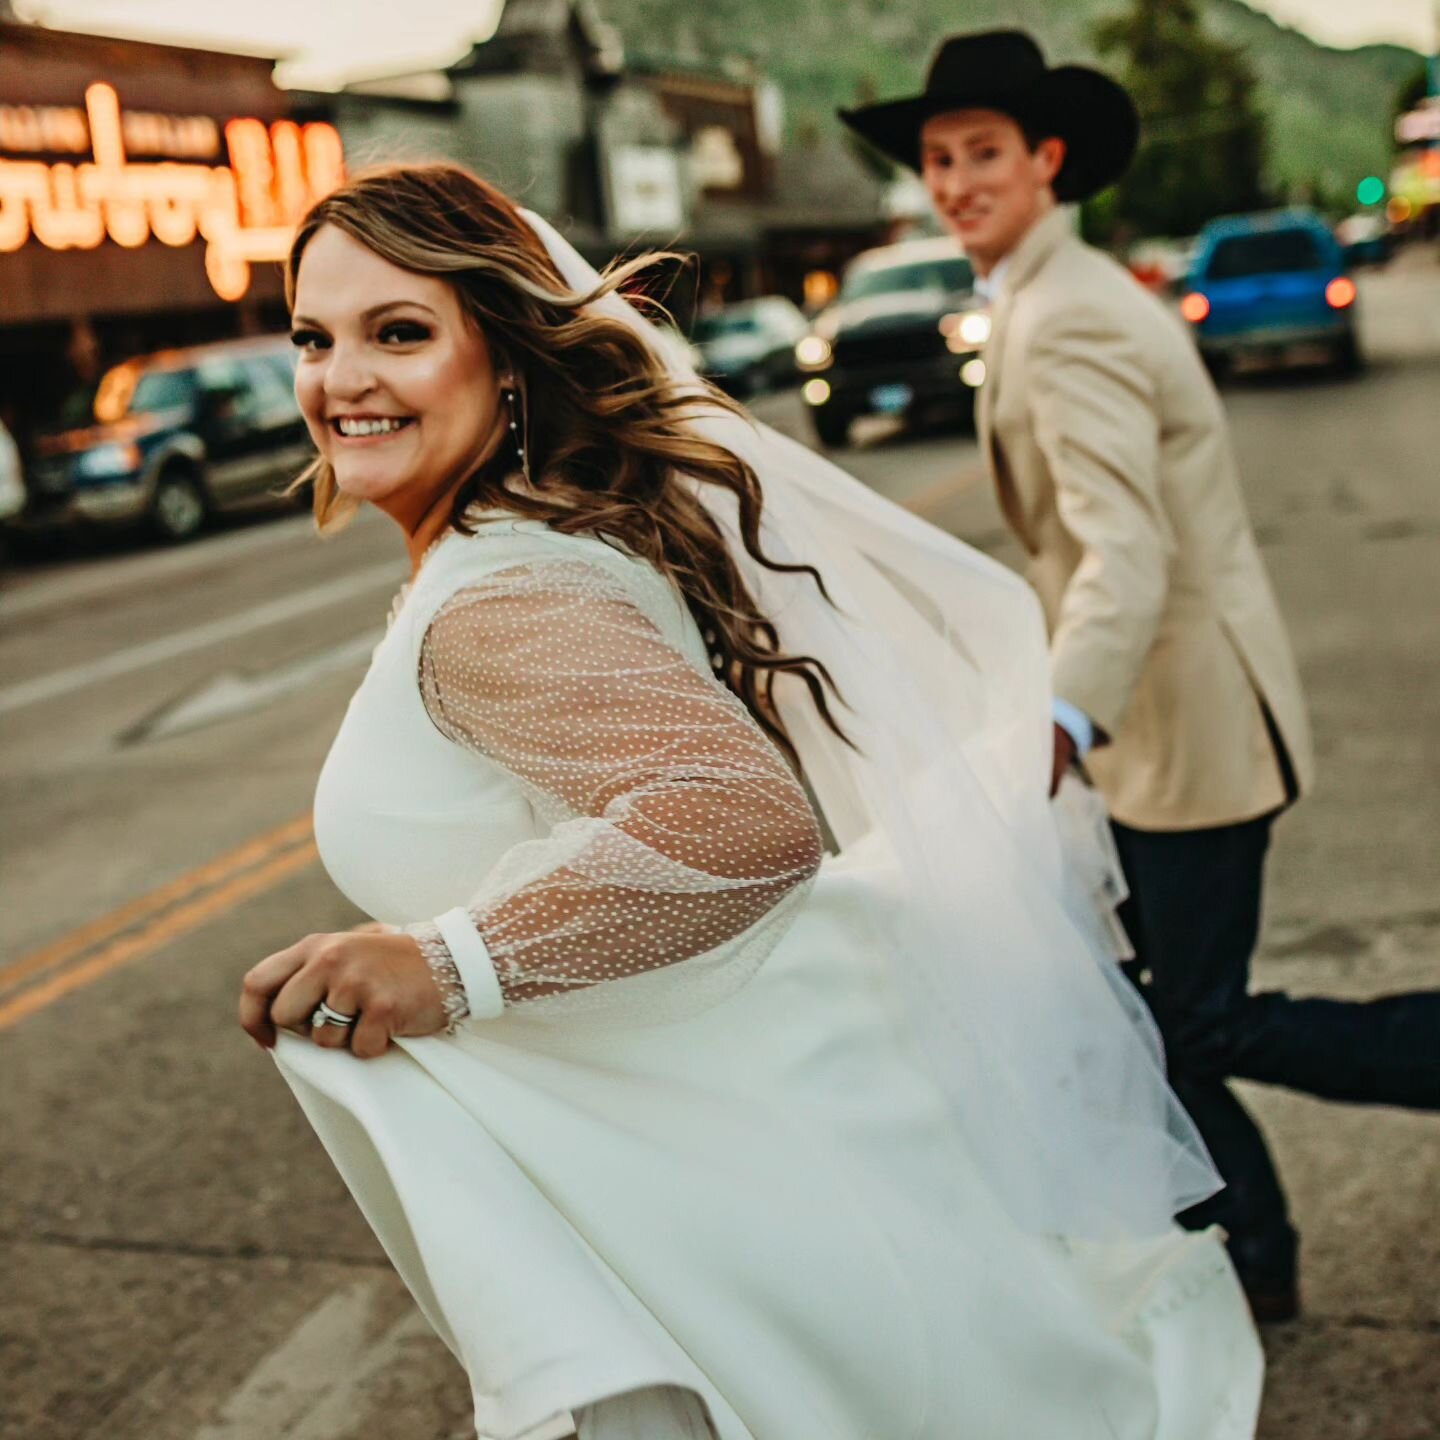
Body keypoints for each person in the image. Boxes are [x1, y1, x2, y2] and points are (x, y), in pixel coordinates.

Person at [238, 162, 1265, 1439]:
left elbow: (739, 815)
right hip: (672, 1156)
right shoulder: (522, 543)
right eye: (312, 337)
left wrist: (443, 964)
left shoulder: (500, 599)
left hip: (702, 1193)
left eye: (400, 333)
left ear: (504, 360)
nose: (342, 379)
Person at [841, 28, 1440, 1325]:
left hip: (1187, 731)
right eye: (939, 161)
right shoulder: (1050, 296)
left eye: (983, 154)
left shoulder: (1069, 320)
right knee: (1157, 1015)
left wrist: (1063, 720)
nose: (956, 182)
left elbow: (1125, 550)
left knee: (1195, 1024)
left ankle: (1289, 1214)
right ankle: (1253, 1256)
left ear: (1047, 158)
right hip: (1166, 731)